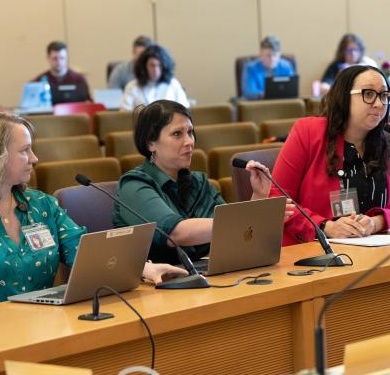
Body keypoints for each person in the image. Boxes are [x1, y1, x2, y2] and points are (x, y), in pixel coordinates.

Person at [0, 113, 186, 317]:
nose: (34, 159)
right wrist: (8, 317)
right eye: (24, 151)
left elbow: (88, 256)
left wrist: (144, 268)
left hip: (43, 326)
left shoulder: (41, 206)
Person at [113, 100, 294, 264]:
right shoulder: (133, 185)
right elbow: (176, 233)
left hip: (209, 279)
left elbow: (234, 235)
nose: (189, 142)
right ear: (151, 143)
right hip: (156, 290)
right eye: (177, 134)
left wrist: (259, 197)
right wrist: (253, 216)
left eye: (190, 132)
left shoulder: (199, 182)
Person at [270, 65, 390, 246]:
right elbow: (278, 200)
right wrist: (325, 227)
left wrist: (376, 223)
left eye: (384, 96)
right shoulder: (307, 132)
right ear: (344, 97)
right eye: (368, 94)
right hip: (316, 251)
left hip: (380, 249)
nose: (379, 104)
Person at [120, 45, 190, 111]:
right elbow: (124, 115)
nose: (156, 69)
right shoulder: (132, 86)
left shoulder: (173, 84)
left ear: (164, 66)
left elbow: (185, 110)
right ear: (144, 66)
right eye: (152, 65)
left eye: (159, 65)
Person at [241, 35, 296, 100]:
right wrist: (268, 94)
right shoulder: (250, 68)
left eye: (275, 55)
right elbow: (248, 93)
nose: (272, 59)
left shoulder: (286, 66)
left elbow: (293, 89)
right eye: (268, 56)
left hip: (282, 103)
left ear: (279, 55)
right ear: (261, 55)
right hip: (258, 105)